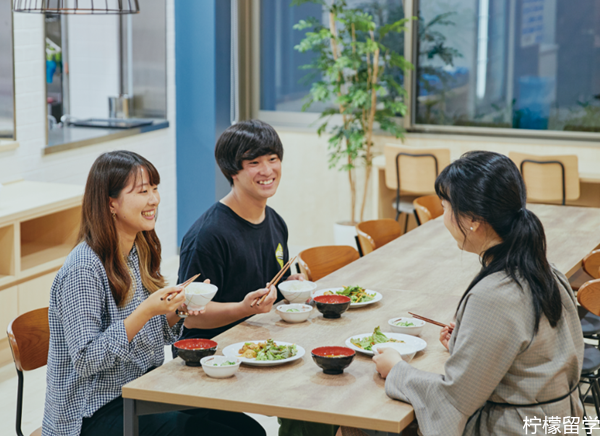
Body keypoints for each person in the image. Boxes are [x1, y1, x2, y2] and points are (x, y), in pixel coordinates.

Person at [42, 151, 263, 436]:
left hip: (141, 390)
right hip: (91, 413)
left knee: (248, 430)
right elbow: (87, 360)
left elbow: (151, 334)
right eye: (143, 191)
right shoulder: (84, 268)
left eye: (155, 189)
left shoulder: (138, 250)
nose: (154, 200)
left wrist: (175, 311)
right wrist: (146, 310)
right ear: (111, 203)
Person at [364, 151, 583, 436]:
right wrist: (468, 342)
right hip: (560, 421)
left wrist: (396, 370)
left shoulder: (494, 294)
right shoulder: (545, 270)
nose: (444, 218)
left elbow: (453, 399)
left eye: (445, 207)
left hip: (515, 428)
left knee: (360, 427)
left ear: (473, 220)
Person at [179, 120, 337, 436]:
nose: (267, 170)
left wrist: (294, 288)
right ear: (232, 171)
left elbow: (278, 288)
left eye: (273, 159)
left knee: (327, 391)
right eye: (254, 163)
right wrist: (243, 307)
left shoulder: (275, 222)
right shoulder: (208, 235)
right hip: (214, 359)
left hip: (261, 345)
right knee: (314, 392)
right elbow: (190, 319)